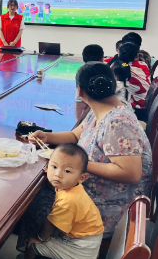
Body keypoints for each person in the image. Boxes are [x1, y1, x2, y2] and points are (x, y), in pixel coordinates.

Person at [21, 62, 151, 247]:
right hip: (95, 195)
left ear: (79, 91)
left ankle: (38, 249)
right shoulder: (103, 108)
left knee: (35, 202)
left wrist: (78, 165)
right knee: (45, 188)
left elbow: (131, 173)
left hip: (107, 210)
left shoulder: (118, 123)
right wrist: (47, 136)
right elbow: (75, 136)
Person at [23, 144, 104, 259]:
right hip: (89, 240)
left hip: (81, 249)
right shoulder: (72, 187)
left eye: (67, 171)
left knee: (31, 246)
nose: (58, 174)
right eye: (54, 167)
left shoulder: (68, 201)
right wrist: (51, 172)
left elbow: (50, 225)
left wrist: (39, 238)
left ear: (82, 177)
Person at [111, 41, 150, 120]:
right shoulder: (143, 65)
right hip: (146, 108)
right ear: (137, 56)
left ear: (119, 54)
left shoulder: (123, 69)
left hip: (134, 111)